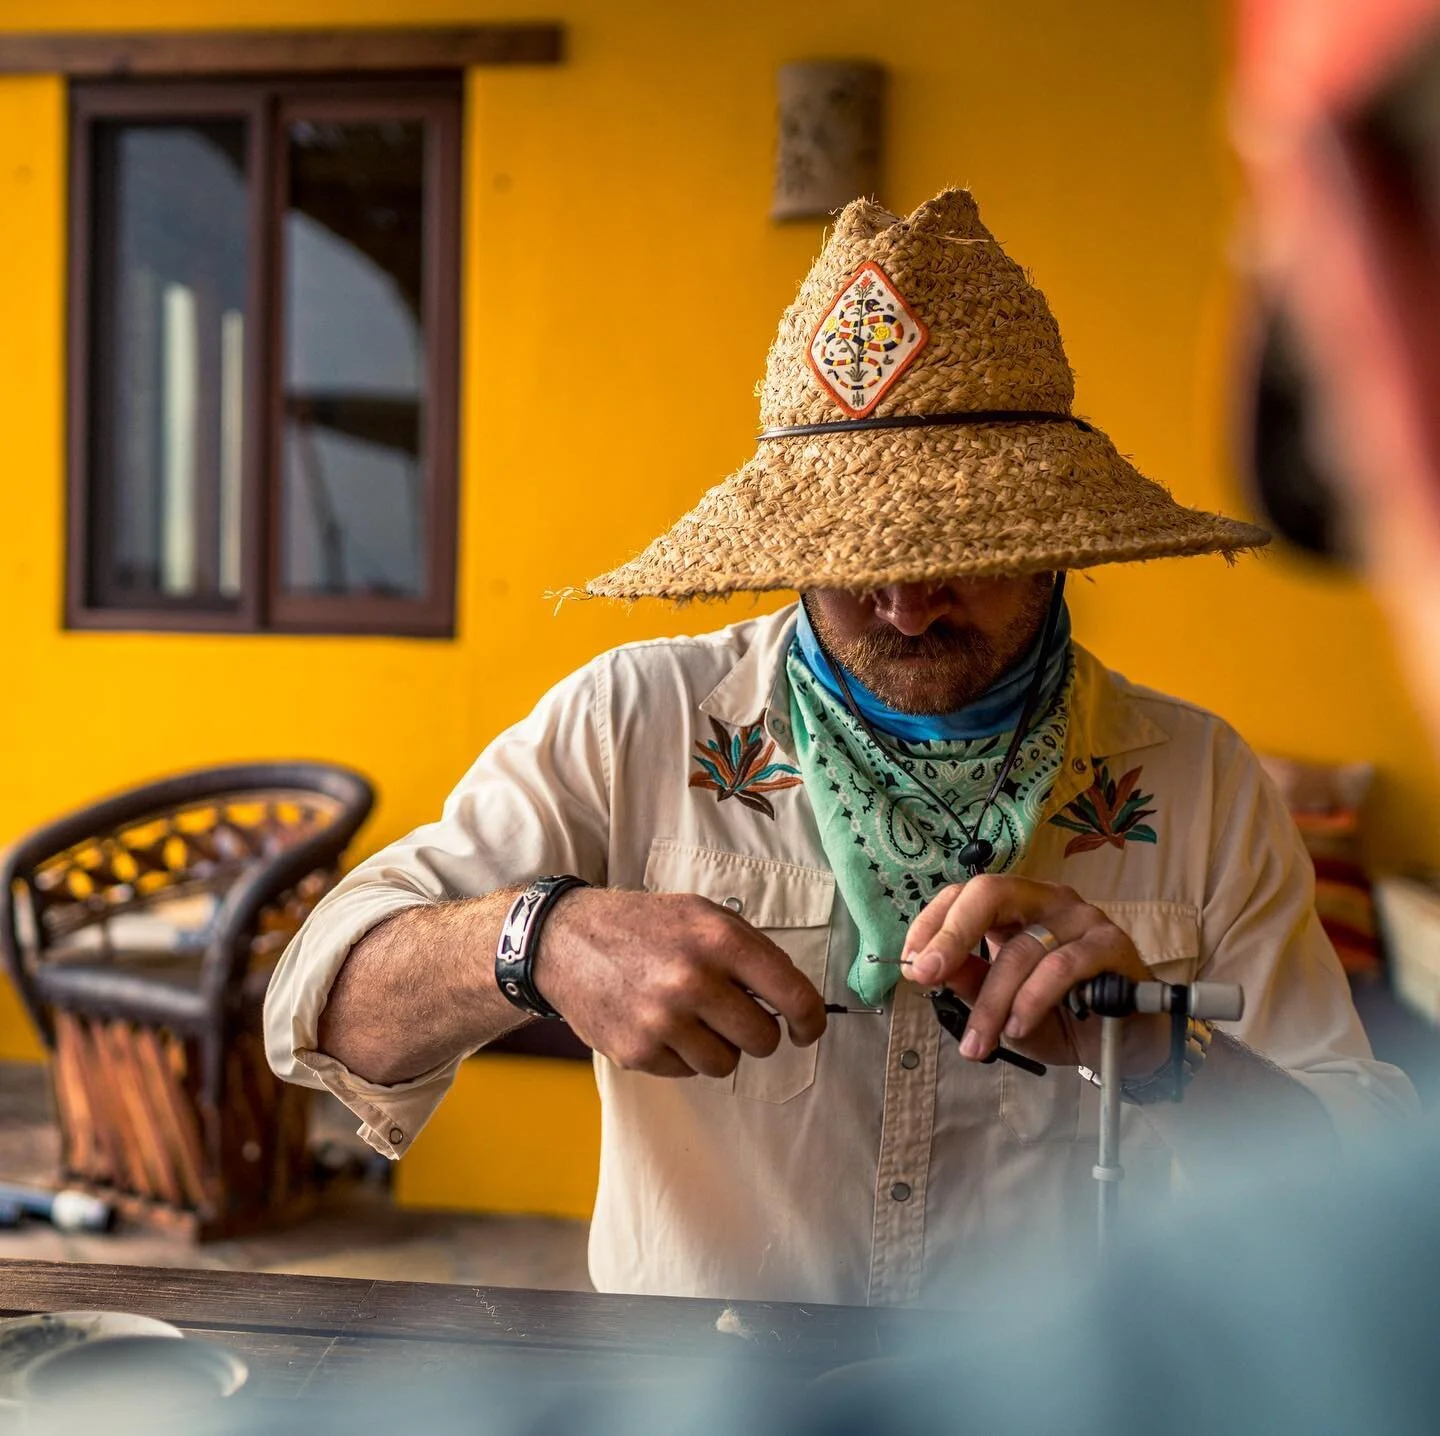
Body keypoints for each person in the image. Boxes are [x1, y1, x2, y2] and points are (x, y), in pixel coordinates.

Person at [264, 188, 1412, 1307]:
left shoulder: (1198, 780)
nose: (907, 603)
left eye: (966, 546)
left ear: (1062, 542)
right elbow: (319, 1003)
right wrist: (541, 937)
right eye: (853, 555)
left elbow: (1361, 1188)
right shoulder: (634, 721)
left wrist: (1161, 1047)